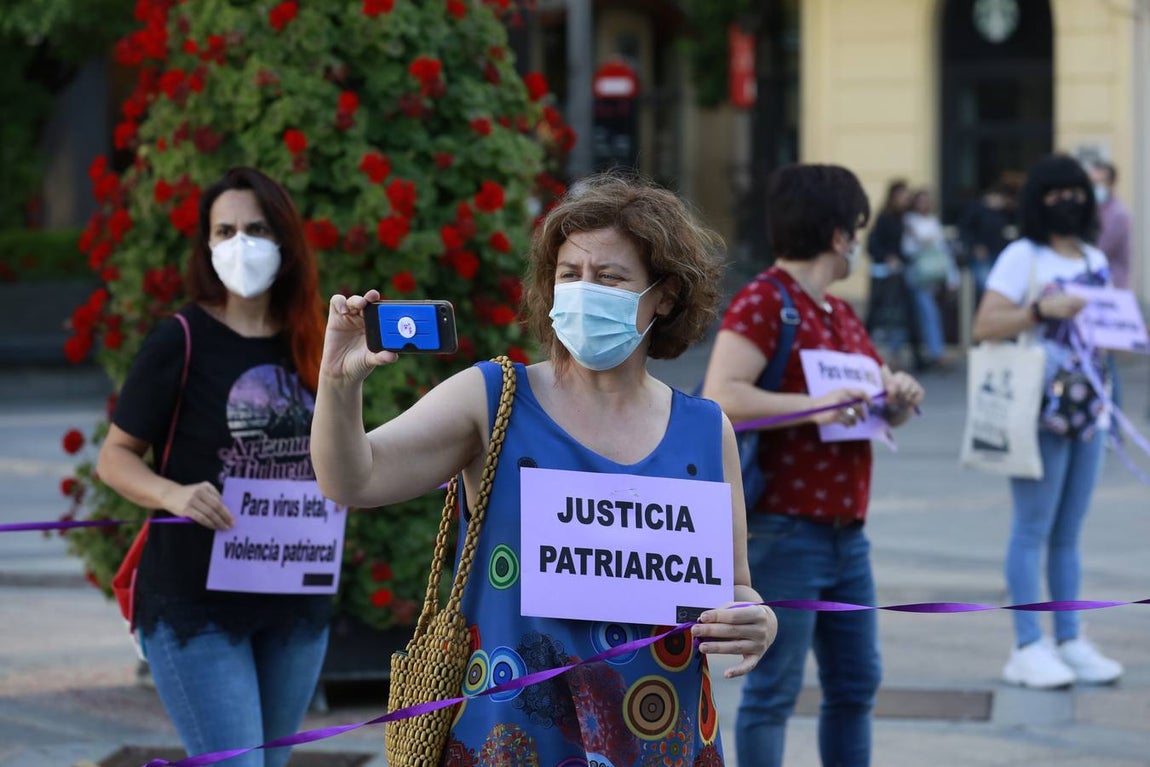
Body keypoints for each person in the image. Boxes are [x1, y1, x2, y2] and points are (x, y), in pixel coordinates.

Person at [311, 174, 778, 764]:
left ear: (664, 295)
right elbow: (353, 479)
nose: (585, 292)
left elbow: (733, 588)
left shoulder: (707, 432)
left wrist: (755, 619)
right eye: (569, 275)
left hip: (660, 735)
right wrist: (336, 384)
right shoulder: (493, 398)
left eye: (609, 277)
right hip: (512, 739)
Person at [96, 167, 330, 767]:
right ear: (206, 244)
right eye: (224, 230)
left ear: (284, 239)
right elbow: (114, 457)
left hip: (293, 598)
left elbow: (341, 452)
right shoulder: (180, 338)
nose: (240, 243)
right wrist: (171, 494)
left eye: (255, 228)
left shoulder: (314, 339)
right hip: (194, 601)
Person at [702, 163, 925, 767]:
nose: (857, 240)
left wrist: (896, 397)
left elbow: (873, 407)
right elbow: (720, 396)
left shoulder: (841, 315)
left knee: (856, 686)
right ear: (838, 235)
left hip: (847, 536)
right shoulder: (766, 302)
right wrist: (812, 404)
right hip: (784, 527)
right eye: (855, 228)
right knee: (773, 693)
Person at [972, 153, 1123, 689]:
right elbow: (984, 324)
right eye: (1057, 192)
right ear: (1039, 200)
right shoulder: (1023, 256)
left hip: (1091, 407)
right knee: (1033, 527)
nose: (1070, 201)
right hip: (1039, 408)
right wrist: (1039, 312)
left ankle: (1070, 636)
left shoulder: (1090, 255)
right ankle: (1028, 643)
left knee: (1068, 532)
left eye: (1076, 191)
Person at [865, 178, 924, 371]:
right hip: (883, 274)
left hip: (900, 273)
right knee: (876, 314)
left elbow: (906, 247)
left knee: (909, 313)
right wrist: (888, 257)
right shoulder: (885, 218)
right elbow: (873, 246)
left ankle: (917, 357)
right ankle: (861, 351)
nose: (905, 200)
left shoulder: (906, 218)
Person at [902, 187, 953, 369]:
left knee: (929, 313)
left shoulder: (932, 221)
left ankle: (934, 352)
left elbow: (942, 249)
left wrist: (951, 275)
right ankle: (934, 352)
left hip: (932, 274)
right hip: (918, 274)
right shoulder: (908, 221)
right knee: (926, 313)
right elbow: (907, 248)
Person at [959, 183, 1015, 304]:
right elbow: (965, 231)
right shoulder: (975, 210)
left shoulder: (1002, 214)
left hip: (997, 254)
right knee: (986, 288)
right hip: (981, 256)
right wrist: (975, 246)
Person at [1089, 161, 1131, 290]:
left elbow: (1100, 249)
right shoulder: (1094, 209)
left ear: (1112, 183)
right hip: (1094, 283)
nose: (1095, 186)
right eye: (1092, 182)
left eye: (1100, 182)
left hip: (1112, 284)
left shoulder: (1118, 214)